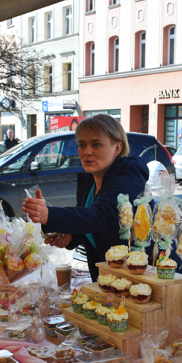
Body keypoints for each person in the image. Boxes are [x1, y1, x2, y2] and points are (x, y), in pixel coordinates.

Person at [21, 114, 149, 282]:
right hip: (110, 279)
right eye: (82, 145)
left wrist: (49, 215)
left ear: (117, 149)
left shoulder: (128, 178)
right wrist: (72, 236)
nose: (87, 152)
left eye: (96, 145)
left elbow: (101, 215)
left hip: (144, 280)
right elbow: (91, 223)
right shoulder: (89, 179)